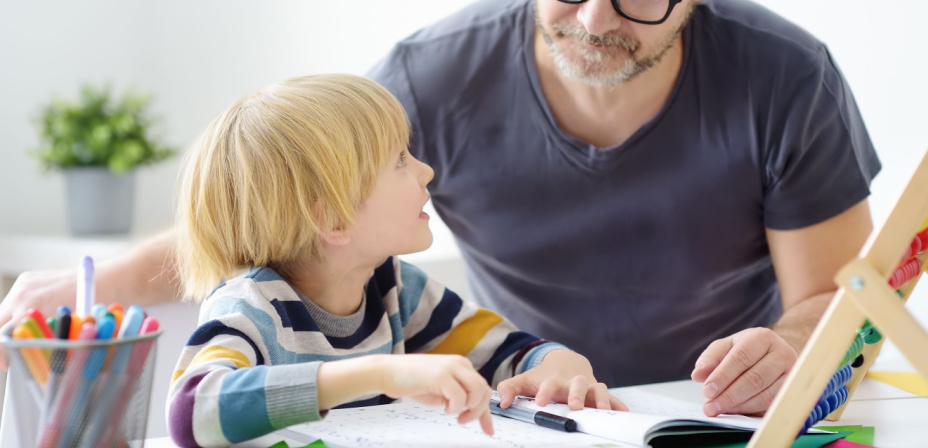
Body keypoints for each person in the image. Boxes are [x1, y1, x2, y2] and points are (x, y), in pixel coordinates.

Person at [1, 0, 879, 419]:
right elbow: (270, 207)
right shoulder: (432, 77)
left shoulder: (785, 78)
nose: (594, 18)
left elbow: (847, 305)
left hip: (701, 413)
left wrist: (796, 349)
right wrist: (101, 281)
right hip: (532, 420)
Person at [164, 74, 624, 447]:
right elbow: (191, 413)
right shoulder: (252, 308)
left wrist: (558, 362)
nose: (426, 170)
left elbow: (507, 353)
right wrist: (383, 372)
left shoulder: (394, 287)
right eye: (400, 161)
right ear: (334, 220)